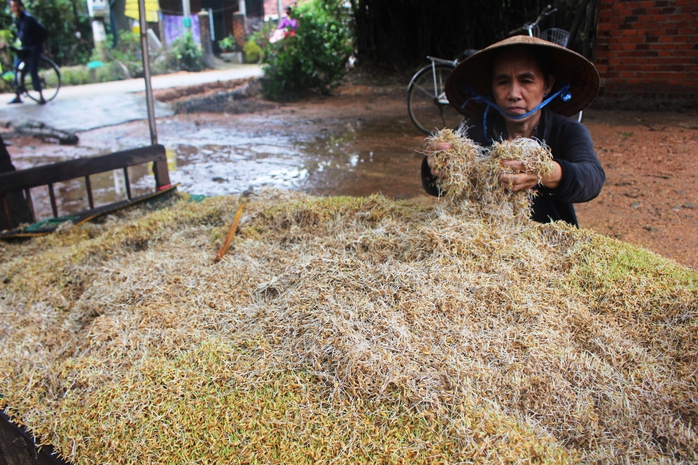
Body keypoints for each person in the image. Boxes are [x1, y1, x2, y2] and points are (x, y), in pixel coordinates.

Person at [421, 35, 605, 227]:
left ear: (547, 85)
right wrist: (435, 165)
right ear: (492, 87)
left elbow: (592, 178)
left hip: (547, 242)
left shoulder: (567, 131)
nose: (514, 94)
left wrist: (545, 172)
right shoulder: (474, 131)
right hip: (485, 239)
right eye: (503, 82)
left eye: (526, 81)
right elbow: (434, 186)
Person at [8, 0, 49, 105]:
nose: (15, 9)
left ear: (22, 6)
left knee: (33, 72)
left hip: (33, 49)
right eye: (13, 7)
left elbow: (43, 32)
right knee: (16, 69)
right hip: (25, 48)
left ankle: (41, 96)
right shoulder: (17, 20)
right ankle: (18, 95)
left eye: (17, 6)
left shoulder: (29, 19)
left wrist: (42, 46)